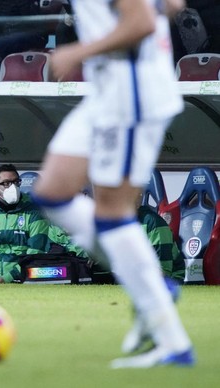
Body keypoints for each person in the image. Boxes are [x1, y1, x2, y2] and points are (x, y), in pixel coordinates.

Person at [30, 0, 194, 368]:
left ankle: (172, 341)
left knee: (111, 214)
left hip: (131, 96)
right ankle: (151, 283)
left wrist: (79, 50)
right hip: (107, 91)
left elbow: (141, 24)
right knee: (51, 192)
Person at [0, 164, 89, 283]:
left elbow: (34, 255)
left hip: (25, 280)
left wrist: (5, 279)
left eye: (16, 182)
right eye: (6, 183)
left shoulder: (35, 213)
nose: (12, 187)